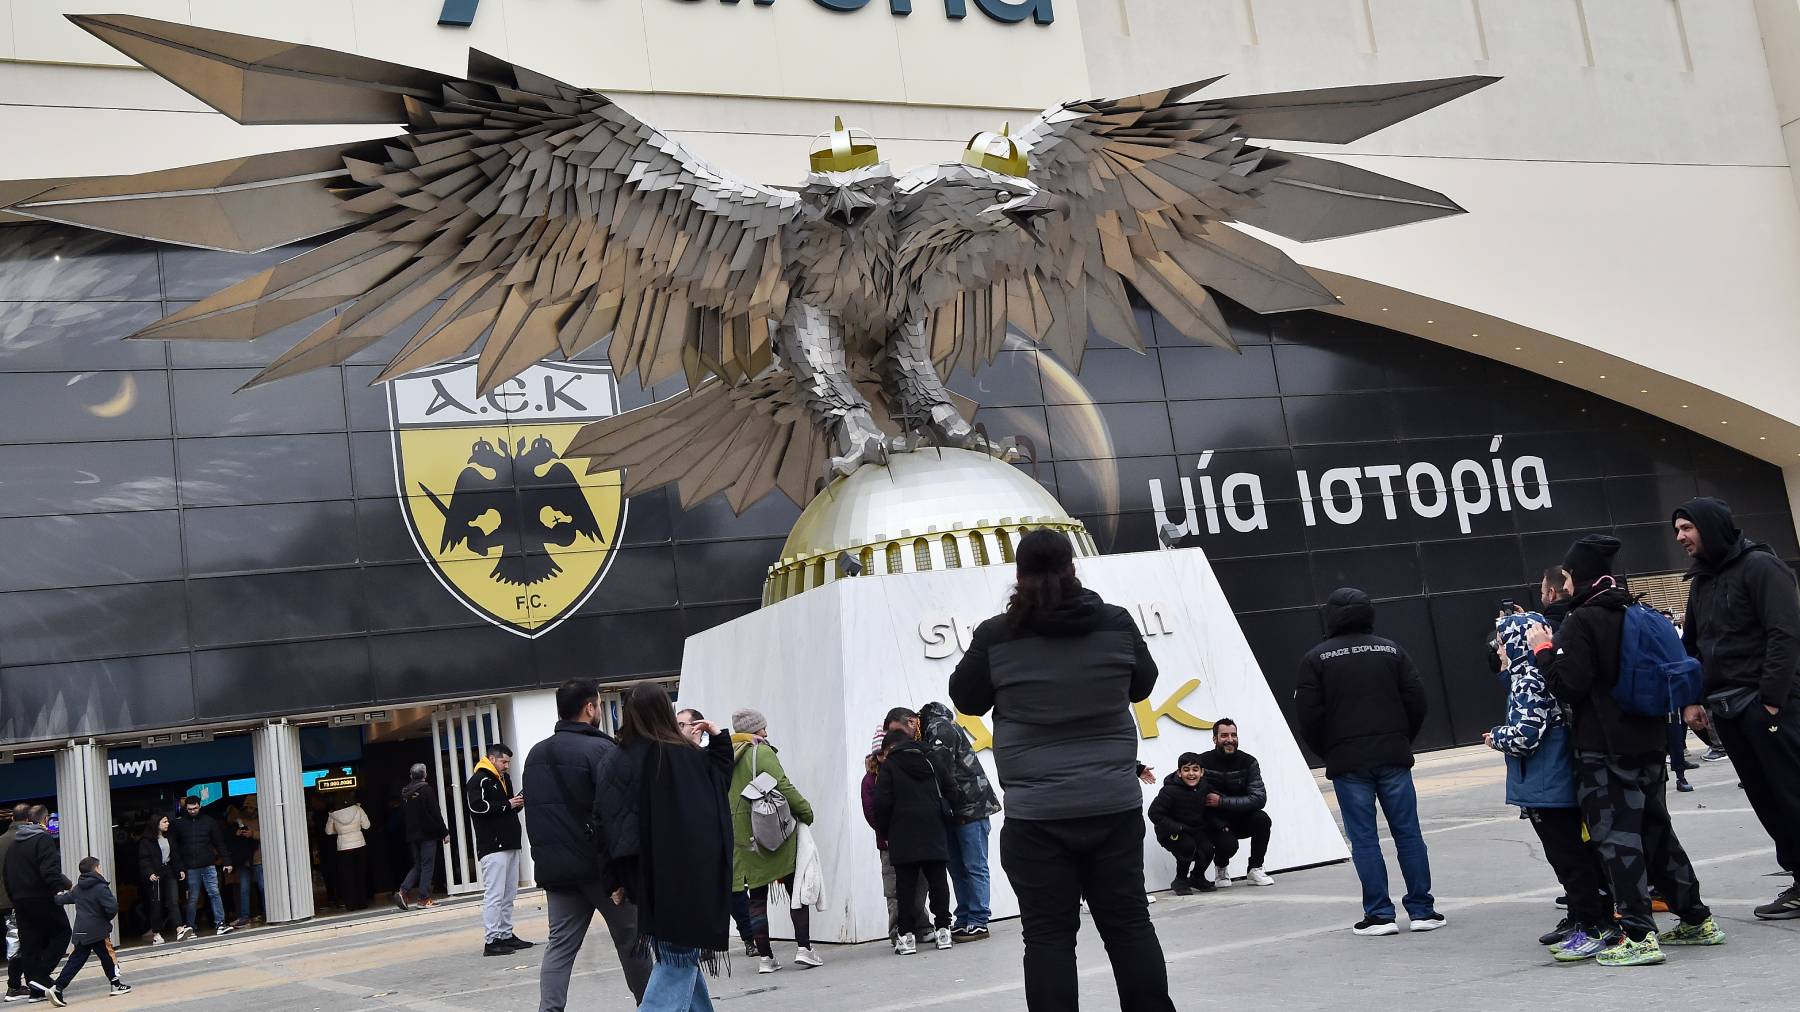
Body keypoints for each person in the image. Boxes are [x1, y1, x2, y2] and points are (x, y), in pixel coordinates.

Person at [949, 528, 1175, 1012]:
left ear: (1018, 576)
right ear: (1073, 568)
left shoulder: (996, 636)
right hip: (1112, 807)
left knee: (1049, 938)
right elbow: (1143, 685)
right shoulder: (1114, 624)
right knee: (1129, 925)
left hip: (1037, 818)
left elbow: (965, 697)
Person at [1532, 533, 1724, 966]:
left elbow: (1569, 685)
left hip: (1604, 748)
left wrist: (1544, 652)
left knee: (1617, 839)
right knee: (1657, 832)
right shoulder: (1634, 608)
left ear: (1570, 577)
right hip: (1650, 740)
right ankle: (1697, 919)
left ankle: (1638, 935)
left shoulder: (1583, 620)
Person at [1673, 497, 1800, 919]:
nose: (1680, 537)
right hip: (1728, 711)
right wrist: (1692, 698)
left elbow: (1785, 636)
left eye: (1687, 527)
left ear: (1710, 526)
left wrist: (1770, 702)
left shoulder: (1762, 568)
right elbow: (1691, 646)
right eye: (1678, 529)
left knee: (1790, 794)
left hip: (1767, 708)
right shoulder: (1701, 582)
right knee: (1766, 799)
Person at [1294, 587, 1444, 936]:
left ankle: (1380, 916)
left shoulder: (1316, 658)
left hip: (1347, 762)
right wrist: (1402, 738)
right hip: (1392, 754)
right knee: (1408, 834)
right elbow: (1417, 700)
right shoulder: (1392, 650)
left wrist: (1329, 750)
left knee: (1364, 840)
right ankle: (1423, 912)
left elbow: (1308, 716)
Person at [1485, 611, 1613, 961]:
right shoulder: (1545, 670)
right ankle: (1590, 918)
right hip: (1562, 780)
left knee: (1567, 857)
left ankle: (1592, 926)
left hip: (1546, 784)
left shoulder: (1526, 679)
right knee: (1581, 853)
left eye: (1501, 643)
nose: (1498, 651)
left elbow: (1526, 736)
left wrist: (1496, 737)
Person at [524, 678, 653, 1010]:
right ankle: (652, 1005)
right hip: (602, 871)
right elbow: (617, 815)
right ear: (590, 708)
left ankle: (549, 1009)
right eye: (597, 704)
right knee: (632, 942)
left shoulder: (535, 755)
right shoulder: (602, 750)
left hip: (558, 873)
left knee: (560, 946)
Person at [614, 683, 736, 1011]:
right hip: (686, 878)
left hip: (648, 881)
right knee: (677, 961)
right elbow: (716, 788)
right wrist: (719, 738)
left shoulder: (620, 756)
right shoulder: (681, 755)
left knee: (680, 959)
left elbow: (608, 821)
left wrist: (618, 878)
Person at [727, 708, 821, 973]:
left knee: (756, 898)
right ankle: (804, 948)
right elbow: (783, 786)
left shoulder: (725, 757)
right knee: (796, 891)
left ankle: (765, 958)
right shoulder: (761, 752)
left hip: (743, 839)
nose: (766, 732)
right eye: (762, 728)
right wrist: (805, 812)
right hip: (771, 833)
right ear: (754, 730)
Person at [917, 702, 1001, 940]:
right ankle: (965, 917)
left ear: (918, 720)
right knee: (958, 868)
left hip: (970, 809)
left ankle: (978, 920)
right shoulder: (940, 726)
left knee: (973, 866)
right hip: (958, 811)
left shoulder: (939, 727)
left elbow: (938, 768)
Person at [678, 708, 755, 956]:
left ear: (697, 727)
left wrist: (717, 734)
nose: (676, 729)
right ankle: (706, 943)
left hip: (718, 838)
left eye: (681, 724)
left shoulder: (711, 758)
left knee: (733, 895)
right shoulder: (674, 759)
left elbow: (723, 766)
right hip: (692, 843)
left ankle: (749, 938)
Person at [874, 728, 957, 954]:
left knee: (906, 887)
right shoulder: (931, 758)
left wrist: (886, 831)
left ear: (890, 748)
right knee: (938, 882)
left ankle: (907, 937)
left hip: (902, 833)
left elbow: (880, 804)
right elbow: (952, 789)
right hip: (934, 829)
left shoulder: (890, 767)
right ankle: (943, 931)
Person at [465, 743, 533, 955]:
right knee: (495, 894)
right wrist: (508, 805)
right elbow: (477, 806)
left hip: (509, 842)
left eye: (508, 762)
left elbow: (507, 805)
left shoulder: (504, 779)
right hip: (493, 844)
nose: (506, 766)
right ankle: (492, 939)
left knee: (509, 892)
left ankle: (505, 933)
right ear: (492, 759)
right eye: (503, 761)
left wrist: (516, 803)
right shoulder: (479, 780)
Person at [860, 744, 930, 947]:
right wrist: (888, 833)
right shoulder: (870, 780)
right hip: (888, 843)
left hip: (914, 838)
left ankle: (921, 925)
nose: (885, 757)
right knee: (893, 890)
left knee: (919, 885)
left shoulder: (904, 771)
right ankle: (897, 930)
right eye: (880, 753)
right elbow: (871, 812)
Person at [1193, 718, 1274, 888]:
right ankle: (1221, 867)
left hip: (1241, 818)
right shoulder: (1202, 762)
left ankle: (1255, 869)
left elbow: (1259, 798)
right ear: (1215, 739)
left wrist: (1221, 802)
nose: (1230, 739)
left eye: (1233, 735)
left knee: (1263, 820)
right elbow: (1179, 777)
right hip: (1215, 822)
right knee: (1228, 846)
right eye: (1224, 735)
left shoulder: (1249, 762)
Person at [3, 805, 70, 1002]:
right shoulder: (43, 839)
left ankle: (36, 991)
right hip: (41, 897)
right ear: (45, 819)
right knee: (62, 932)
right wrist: (58, 891)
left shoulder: (15, 844)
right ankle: (40, 977)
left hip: (20, 900)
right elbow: (50, 869)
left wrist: (14, 897)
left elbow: (7, 875)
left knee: (30, 943)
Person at [46, 856, 130, 1004]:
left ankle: (57, 988)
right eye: (100, 867)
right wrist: (105, 918)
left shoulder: (78, 888)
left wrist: (54, 895)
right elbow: (112, 907)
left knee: (75, 961)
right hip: (98, 930)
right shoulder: (100, 887)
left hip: (81, 931)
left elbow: (62, 900)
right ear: (96, 869)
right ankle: (116, 984)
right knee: (108, 956)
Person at [1146, 754, 1217, 896]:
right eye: (1186, 770)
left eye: (1195, 769)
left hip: (1193, 829)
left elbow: (1212, 802)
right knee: (1187, 846)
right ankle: (1180, 880)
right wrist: (1177, 827)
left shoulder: (1204, 786)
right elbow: (1154, 813)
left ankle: (1197, 877)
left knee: (1208, 849)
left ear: (1202, 772)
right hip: (1169, 831)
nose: (1191, 774)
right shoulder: (1169, 791)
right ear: (1179, 772)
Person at [170, 795, 232, 938]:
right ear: (186, 808)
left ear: (200, 806)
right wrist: (180, 868)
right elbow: (175, 849)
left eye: (195, 808)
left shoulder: (209, 822)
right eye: (190, 809)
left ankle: (220, 924)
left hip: (207, 865)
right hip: (191, 867)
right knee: (193, 898)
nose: (192, 811)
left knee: (213, 894)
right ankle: (191, 927)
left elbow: (219, 843)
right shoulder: (180, 825)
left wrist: (227, 861)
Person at [397, 764, 448, 910]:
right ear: (424, 775)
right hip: (427, 834)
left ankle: (403, 891)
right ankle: (423, 899)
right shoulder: (426, 790)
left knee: (418, 865)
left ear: (411, 775)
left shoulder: (405, 792)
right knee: (427, 866)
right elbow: (435, 813)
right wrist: (444, 832)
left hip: (412, 835)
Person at [135, 815, 180, 945]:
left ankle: (179, 928)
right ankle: (156, 933)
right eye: (164, 822)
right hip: (155, 873)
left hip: (169, 871)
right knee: (156, 904)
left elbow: (175, 855)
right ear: (156, 823)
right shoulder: (146, 841)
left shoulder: (169, 837)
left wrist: (180, 869)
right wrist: (149, 873)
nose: (167, 824)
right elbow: (144, 859)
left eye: (167, 821)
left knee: (173, 900)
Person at [324, 793, 373, 911]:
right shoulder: (358, 809)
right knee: (360, 875)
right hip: (359, 845)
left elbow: (328, 832)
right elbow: (367, 826)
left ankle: (351, 904)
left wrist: (340, 831)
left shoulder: (333, 814)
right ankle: (362, 902)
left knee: (347, 877)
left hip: (344, 847)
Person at [0, 804, 24, 1001]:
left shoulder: (1, 841)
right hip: (19, 899)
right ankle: (14, 986)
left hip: (4, 900)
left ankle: (17, 984)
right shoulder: (23, 840)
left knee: (14, 939)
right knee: (19, 941)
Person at [225, 801, 261, 928]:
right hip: (245, 860)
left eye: (252, 807)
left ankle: (269, 912)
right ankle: (245, 916)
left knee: (262, 887)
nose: (250, 810)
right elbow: (229, 838)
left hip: (258, 858)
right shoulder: (240, 822)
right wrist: (237, 833)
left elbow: (269, 834)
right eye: (247, 807)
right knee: (244, 889)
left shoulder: (263, 818)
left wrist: (253, 834)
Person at [1540, 566, 1573, 630]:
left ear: (1551, 593)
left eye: (1542, 593)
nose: (1541, 598)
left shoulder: (1543, 630)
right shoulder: (1587, 617)